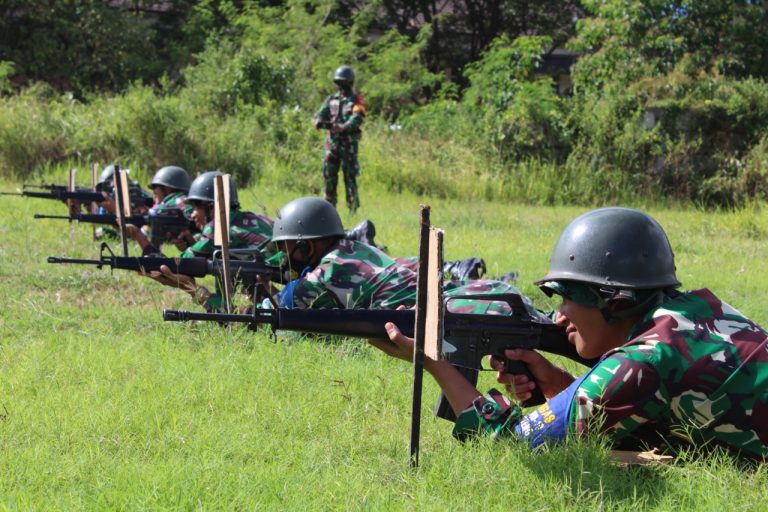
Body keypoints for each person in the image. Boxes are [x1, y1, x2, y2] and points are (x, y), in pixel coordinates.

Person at [369, 207, 768, 459]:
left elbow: (512, 447)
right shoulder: (697, 309)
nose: (559, 317)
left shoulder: (641, 361)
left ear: (613, 300)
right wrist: (558, 383)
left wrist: (434, 362)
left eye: (566, 299)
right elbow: (644, 414)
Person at [270, 197, 536, 315]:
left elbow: (288, 304)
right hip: (449, 299)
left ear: (308, 247)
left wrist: (258, 303)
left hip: (442, 312)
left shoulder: (330, 270)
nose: (285, 257)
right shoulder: (356, 249)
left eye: (288, 248)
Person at [143, 171, 275, 310]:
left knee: (229, 309)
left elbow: (182, 262)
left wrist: (155, 263)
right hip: (281, 274)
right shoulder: (245, 218)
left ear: (211, 207)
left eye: (195, 208)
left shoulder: (218, 226)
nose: (192, 215)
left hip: (278, 277)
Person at [313, 65, 365, 214]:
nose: (340, 85)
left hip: (348, 146)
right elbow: (320, 114)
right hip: (332, 146)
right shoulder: (332, 99)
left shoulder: (356, 100)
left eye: (343, 82)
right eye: (338, 82)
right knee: (329, 178)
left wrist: (343, 127)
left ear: (349, 82)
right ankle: (329, 211)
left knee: (350, 179)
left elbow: (357, 118)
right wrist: (319, 122)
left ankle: (352, 211)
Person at [122, 165, 195, 255]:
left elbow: (155, 215)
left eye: (156, 193)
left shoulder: (175, 201)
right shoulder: (186, 201)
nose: (154, 198)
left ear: (167, 190)